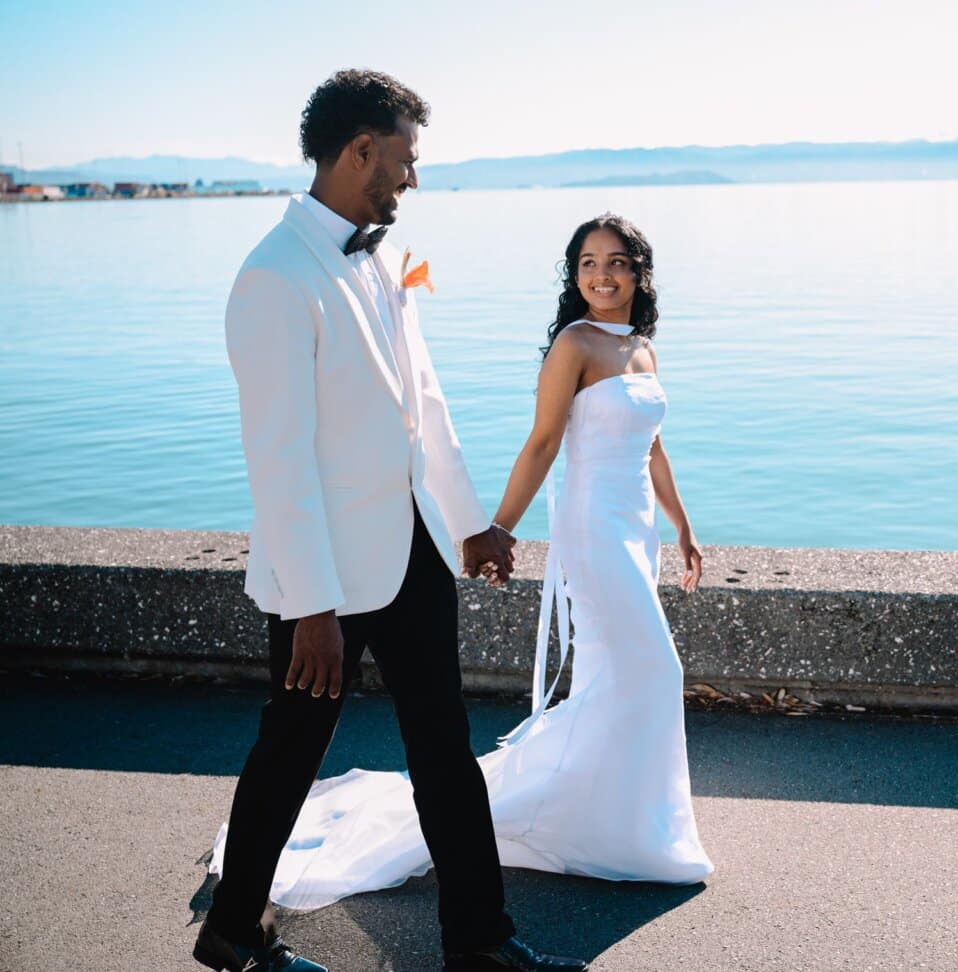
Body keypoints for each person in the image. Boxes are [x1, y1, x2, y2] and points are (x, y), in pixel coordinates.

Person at [210, 213, 715, 919]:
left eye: (616, 261)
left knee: (623, 677)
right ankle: (608, 828)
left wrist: (683, 526)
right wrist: (496, 529)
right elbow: (541, 443)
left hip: (636, 530)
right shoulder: (573, 345)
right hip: (593, 530)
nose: (601, 275)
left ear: (640, 270)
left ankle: (621, 826)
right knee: (654, 668)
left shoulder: (641, 349)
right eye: (587, 264)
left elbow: (654, 447)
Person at [198, 69, 586, 972]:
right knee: (290, 754)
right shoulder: (272, 277)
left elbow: (423, 406)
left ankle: (480, 944)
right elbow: (280, 460)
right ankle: (230, 933)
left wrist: (468, 526)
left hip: (410, 554)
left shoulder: (376, 259)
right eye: (404, 160)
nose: (411, 179)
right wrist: (311, 608)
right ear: (359, 150)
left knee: (444, 751)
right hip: (324, 576)